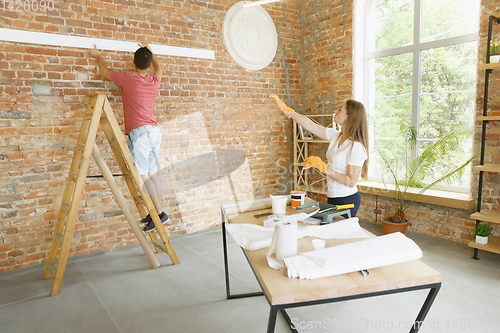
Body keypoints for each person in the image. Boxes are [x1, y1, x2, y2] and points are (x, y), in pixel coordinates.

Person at [90, 43, 169, 232]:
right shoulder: (153, 80)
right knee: (151, 173)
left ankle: (159, 214)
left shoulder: (128, 78)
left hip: (140, 133)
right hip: (154, 131)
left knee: (143, 175)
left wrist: (97, 55)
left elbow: (104, 73)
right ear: (149, 65)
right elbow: (160, 68)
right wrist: (152, 54)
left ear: (133, 63)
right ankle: (158, 213)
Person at [270, 94, 369, 218]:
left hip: (347, 200)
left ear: (349, 117)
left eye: (340, 109)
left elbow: (351, 181)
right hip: (333, 196)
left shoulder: (356, 147)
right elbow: (310, 125)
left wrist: (324, 168)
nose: (335, 112)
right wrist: (288, 111)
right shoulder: (336, 136)